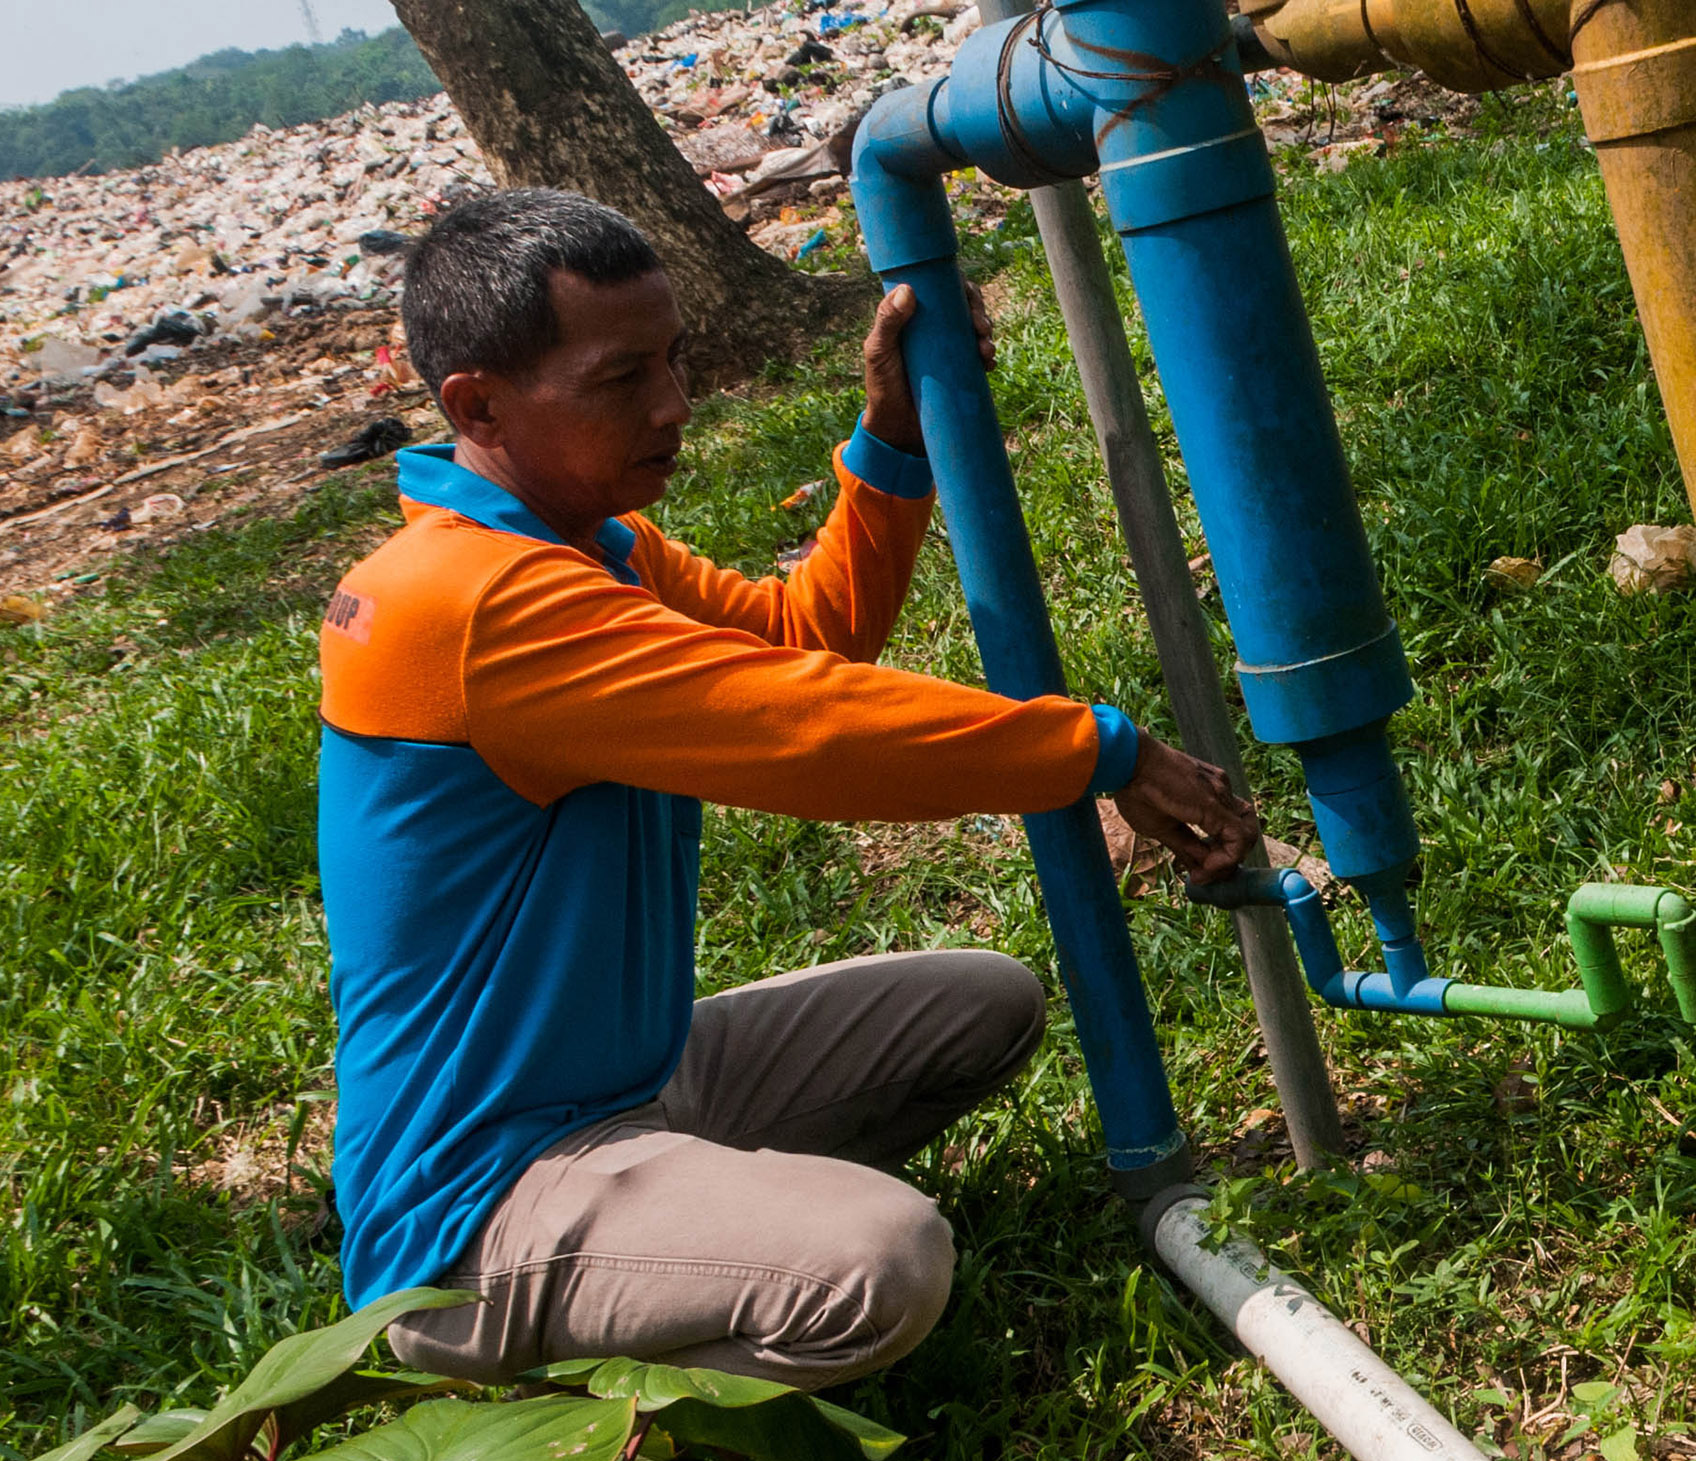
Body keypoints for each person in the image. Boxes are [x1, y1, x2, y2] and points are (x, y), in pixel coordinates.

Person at [315, 187, 1256, 1391]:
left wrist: (892, 441)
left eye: (672, 360)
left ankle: (684, 1236)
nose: (671, 405)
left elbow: (797, 638)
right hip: (480, 1204)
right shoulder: (477, 603)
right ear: (475, 404)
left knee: (984, 1001)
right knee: (881, 1260)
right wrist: (1099, 750)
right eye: (619, 378)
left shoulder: (577, 546)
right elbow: (812, 734)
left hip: (629, 1082)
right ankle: (562, 1416)